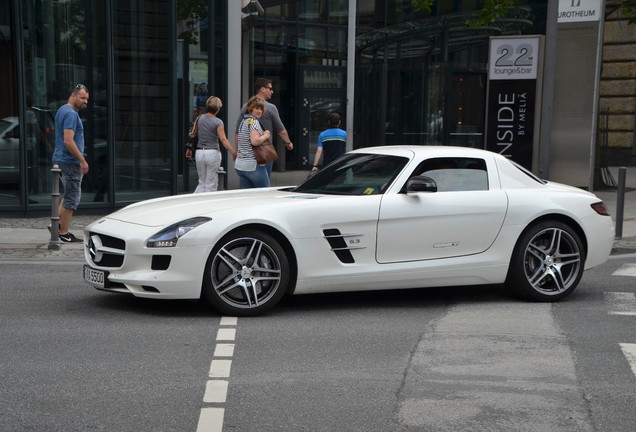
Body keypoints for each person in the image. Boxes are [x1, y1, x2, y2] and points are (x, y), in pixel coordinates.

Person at [52, 84, 90, 243]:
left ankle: (57, 226)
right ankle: (64, 233)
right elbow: (68, 140)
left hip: (61, 160)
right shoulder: (71, 114)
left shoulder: (62, 110)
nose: (85, 102)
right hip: (70, 162)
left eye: (87, 99)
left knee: (68, 196)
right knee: (72, 198)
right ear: (72, 96)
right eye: (82, 98)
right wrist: (82, 160)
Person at [235, 77, 293, 177]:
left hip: (246, 156)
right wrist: (288, 143)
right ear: (262, 89)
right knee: (263, 188)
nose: (272, 91)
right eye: (270, 89)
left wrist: (238, 151)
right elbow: (281, 130)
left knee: (248, 189)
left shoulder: (246, 106)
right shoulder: (270, 107)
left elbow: (237, 132)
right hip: (263, 153)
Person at [185, 96, 237, 193]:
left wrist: (189, 149)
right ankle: (207, 206)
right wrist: (233, 152)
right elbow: (223, 139)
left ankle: (194, 203)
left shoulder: (199, 118)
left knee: (201, 182)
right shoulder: (218, 122)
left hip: (199, 153)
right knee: (211, 184)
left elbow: (192, 135)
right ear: (218, 108)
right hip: (213, 153)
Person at [234, 96, 272, 188]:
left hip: (240, 165)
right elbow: (255, 141)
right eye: (256, 108)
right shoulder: (253, 122)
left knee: (248, 198)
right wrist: (266, 135)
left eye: (261, 109)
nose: (259, 111)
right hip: (253, 165)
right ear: (250, 109)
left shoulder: (244, 121)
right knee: (264, 195)